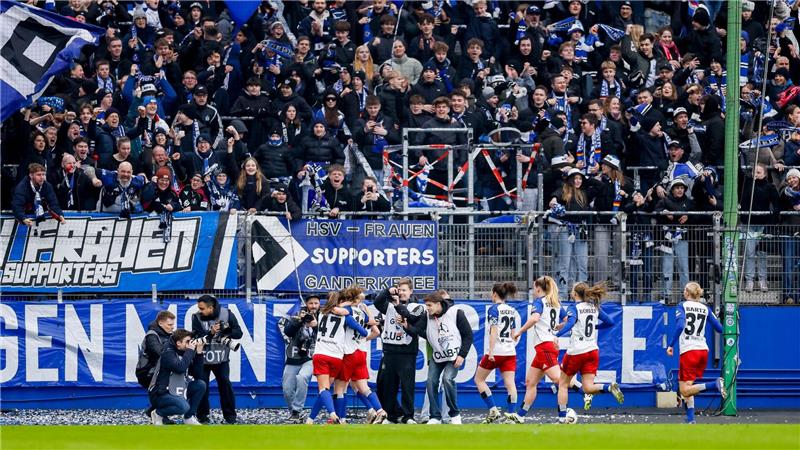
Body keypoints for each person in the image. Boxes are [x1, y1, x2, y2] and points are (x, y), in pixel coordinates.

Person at [556, 282, 624, 422]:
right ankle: (608, 387)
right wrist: (596, 327)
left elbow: (571, 323)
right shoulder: (593, 307)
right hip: (592, 351)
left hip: (576, 351)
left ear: (575, 293)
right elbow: (610, 322)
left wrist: (556, 335)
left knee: (563, 384)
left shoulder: (574, 307)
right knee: (587, 388)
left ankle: (562, 418)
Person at [402, 290, 473, 425]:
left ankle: (455, 414)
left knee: (447, 379)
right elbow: (417, 331)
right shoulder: (427, 316)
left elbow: (468, 335)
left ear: (438, 304)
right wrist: (406, 326)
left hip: (454, 355)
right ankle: (435, 416)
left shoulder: (456, 312)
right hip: (437, 355)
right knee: (431, 382)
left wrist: (462, 355)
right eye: (426, 305)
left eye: (429, 305)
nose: (427, 308)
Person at [666, 282, 727, 424]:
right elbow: (719, 328)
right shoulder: (705, 308)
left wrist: (671, 345)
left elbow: (680, 325)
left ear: (687, 293)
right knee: (688, 386)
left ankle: (714, 384)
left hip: (689, 351)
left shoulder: (682, 305)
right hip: (703, 350)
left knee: (684, 390)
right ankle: (690, 419)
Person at [306, 290, 368, 425]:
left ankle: (332, 414)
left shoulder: (321, 312)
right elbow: (363, 332)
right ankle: (310, 420)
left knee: (323, 389)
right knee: (326, 390)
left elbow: (312, 321)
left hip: (321, 354)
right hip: (337, 357)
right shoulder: (346, 315)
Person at [512, 276, 567, 422]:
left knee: (559, 380)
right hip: (547, 345)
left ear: (538, 288)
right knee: (530, 382)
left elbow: (534, 318)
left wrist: (519, 331)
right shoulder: (555, 302)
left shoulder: (540, 302)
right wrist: (557, 328)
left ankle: (580, 394)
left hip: (544, 346)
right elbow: (568, 320)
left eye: (533, 287)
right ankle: (520, 416)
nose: (533, 290)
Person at [373, 278, 425, 424]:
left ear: (411, 291)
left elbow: (411, 318)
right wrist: (387, 291)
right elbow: (377, 302)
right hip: (390, 350)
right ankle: (391, 416)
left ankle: (408, 416)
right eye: (399, 289)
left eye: (404, 290)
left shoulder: (417, 307)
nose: (401, 293)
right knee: (388, 386)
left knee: (407, 386)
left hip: (406, 352)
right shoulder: (389, 305)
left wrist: (398, 305)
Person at [333, 286, 387, 424]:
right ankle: (380, 410)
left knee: (339, 388)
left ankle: (341, 419)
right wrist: (366, 310)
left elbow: (335, 309)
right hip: (361, 352)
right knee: (363, 387)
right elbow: (373, 326)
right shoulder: (361, 311)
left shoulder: (347, 310)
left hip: (348, 352)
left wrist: (339, 304)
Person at [191, 294, 243, 424]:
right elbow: (197, 337)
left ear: (211, 308)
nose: (199, 311)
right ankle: (202, 417)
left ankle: (230, 417)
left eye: (202, 308)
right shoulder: (196, 317)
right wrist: (211, 332)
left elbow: (239, 333)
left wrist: (227, 331)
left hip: (221, 359)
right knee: (202, 386)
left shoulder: (227, 314)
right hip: (202, 359)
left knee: (225, 385)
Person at [474, 282, 519, 424]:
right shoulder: (511, 310)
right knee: (510, 384)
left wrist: (491, 352)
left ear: (494, 294)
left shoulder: (494, 309)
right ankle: (511, 415)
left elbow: (494, 331)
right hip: (510, 352)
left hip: (496, 351)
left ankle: (493, 410)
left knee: (479, 379)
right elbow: (513, 333)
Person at [148, 329, 207, 426]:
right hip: (161, 393)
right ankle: (158, 413)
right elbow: (180, 368)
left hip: (178, 389)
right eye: (187, 341)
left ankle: (189, 417)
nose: (189, 344)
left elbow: (198, 374)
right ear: (178, 343)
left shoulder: (185, 352)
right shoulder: (168, 352)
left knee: (200, 385)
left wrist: (199, 353)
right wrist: (190, 351)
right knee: (183, 407)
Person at [279, 294, 320, 423]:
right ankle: (294, 413)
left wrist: (316, 326)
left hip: (311, 357)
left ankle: (296, 410)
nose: (313, 306)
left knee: (302, 378)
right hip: (293, 357)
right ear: (306, 304)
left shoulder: (322, 317)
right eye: (311, 303)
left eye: (316, 303)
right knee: (287, 388)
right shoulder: (298, 315)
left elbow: (325, 336)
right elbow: (288, 332)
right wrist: (299, 321)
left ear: (319, 304)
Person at [137, 310, 176, 419]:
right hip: (147, 373)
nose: (172, 327)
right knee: (165, 391)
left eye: (173, 325)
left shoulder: (169, 335)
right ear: (160, 323)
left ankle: (154, 412)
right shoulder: (152, 336)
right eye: (169, 325)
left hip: (158, 371)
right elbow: (159, 352)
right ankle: (160, 415)